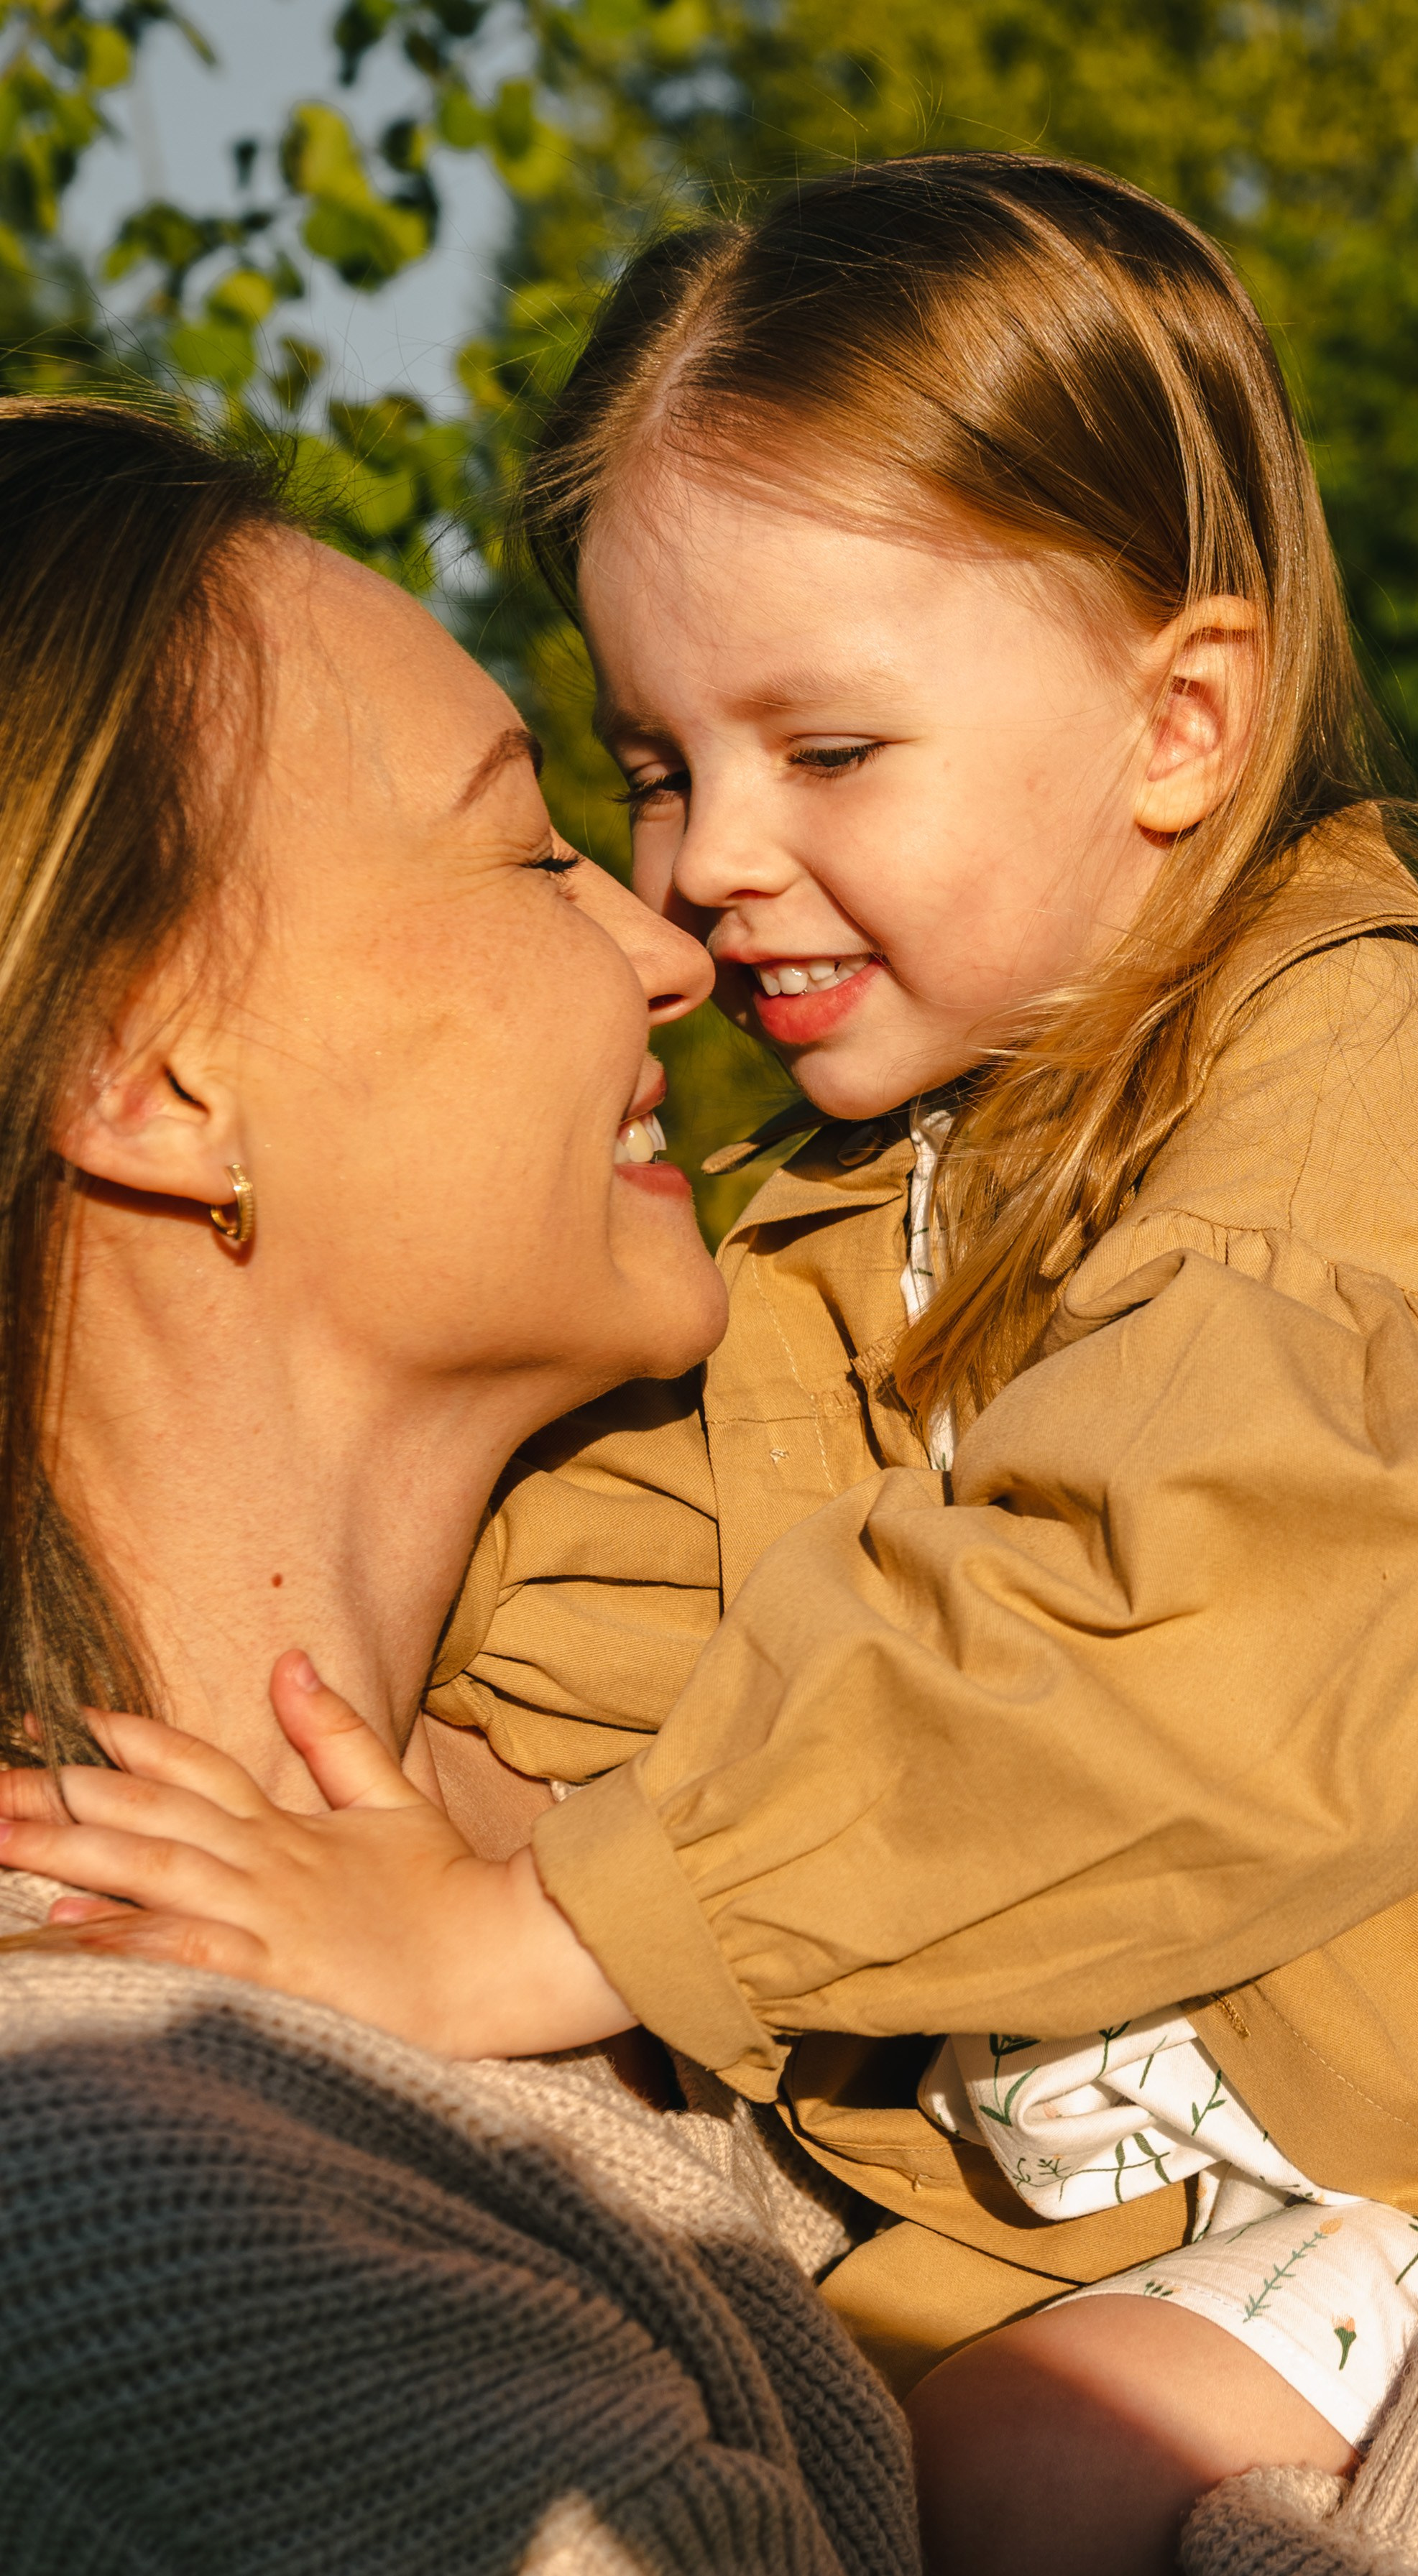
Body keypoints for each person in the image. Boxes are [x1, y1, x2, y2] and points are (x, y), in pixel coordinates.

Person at [10, 157, 1418, 2561]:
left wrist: (506, 1930)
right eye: (620, 786)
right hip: (1396, 2202)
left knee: (1014, 2459)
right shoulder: (835, 1223)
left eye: (823, 754)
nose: (691, 888)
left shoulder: (1329, 1086)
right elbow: (641, 1616)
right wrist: (415, 1830)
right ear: (152, 1078)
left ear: (1181, 724)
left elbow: (1180, 1609)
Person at [0, 389, 916, 2572]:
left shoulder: (661, 1801)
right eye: (527, 853)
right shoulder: (140, 2214)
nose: (675, 948)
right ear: (153, 1072)